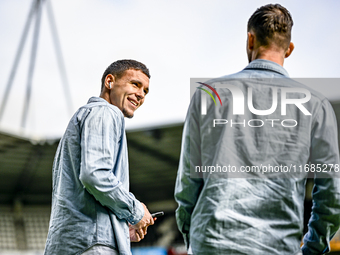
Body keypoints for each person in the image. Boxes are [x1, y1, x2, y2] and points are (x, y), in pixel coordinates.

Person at [174, 4, 340, 255]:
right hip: (277, 245)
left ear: (250, 39)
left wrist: (194, 239)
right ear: (289, 49)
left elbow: (188, 183)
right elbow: (331, 193)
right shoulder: (315, 105)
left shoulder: (209, 95)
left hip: (212, 242)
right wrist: (313, 247)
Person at [44, 59, 154, 255]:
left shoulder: (84, 117)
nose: (141, 94)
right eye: (135, 84)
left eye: (145, 90)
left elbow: (82, 196)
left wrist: (119, 228)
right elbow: (95, 175)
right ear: (109, 82)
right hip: (92, 246)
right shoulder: (105, 112)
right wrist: (136, 211)